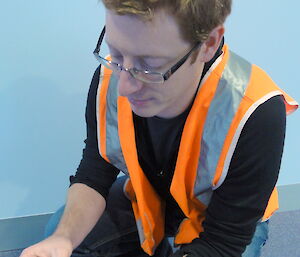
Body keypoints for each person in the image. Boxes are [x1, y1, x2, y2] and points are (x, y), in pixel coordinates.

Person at [21, 0, 298, 257]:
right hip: (152, 197)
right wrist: (64, 239)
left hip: (222, 218)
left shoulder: (255, 110)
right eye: (116, 53)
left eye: (149, 66)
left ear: (208, 44)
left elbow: (223, 241)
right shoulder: (111, 77)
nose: (125, 85)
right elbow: (95, 171)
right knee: (60, 230)